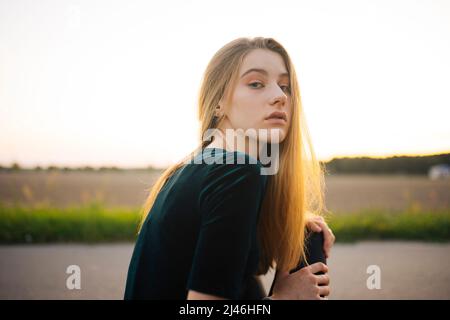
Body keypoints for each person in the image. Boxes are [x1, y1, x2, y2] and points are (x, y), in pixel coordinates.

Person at [124, 37, 335, 300]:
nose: (280, 97)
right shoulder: (237, 172)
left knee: (306, 236)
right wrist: (284, 298)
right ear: (218, 102)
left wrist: (294, 223)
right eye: (256, 83)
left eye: (285, 86)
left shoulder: (197, 168)